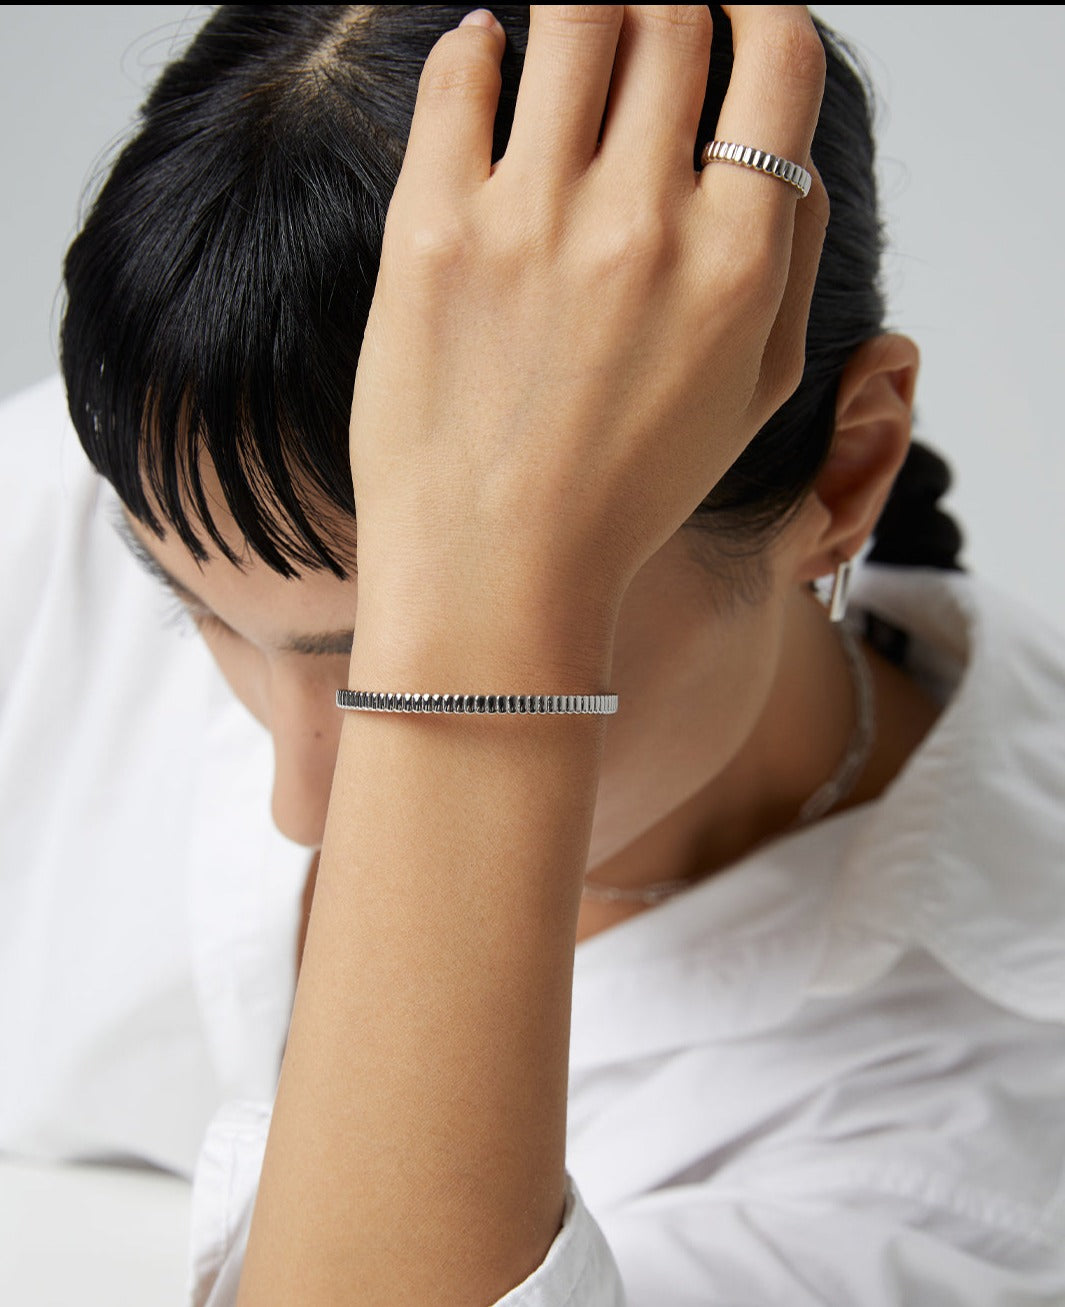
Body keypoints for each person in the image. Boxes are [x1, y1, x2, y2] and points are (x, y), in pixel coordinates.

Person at [23, 2, 1064, 1303]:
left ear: (846, 468)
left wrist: (489, 617)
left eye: (378, 647)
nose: (299, 806)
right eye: (197, 614)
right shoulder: (159, 491)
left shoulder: (977, 1142)